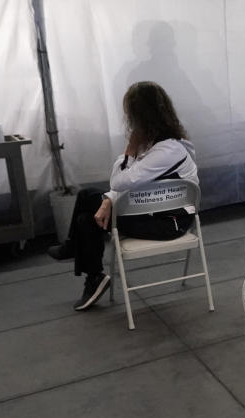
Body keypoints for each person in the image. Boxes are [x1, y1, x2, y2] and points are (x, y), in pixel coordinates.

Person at [48, 81, 199, 311]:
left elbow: (119, 181)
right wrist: (109, 200)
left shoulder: (165, 151)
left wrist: (128, 151)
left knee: (87, 201)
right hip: (158, 213)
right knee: (87, 216)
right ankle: (90, 270)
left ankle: (85, 263)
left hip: (170, 224)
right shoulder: (163, 146)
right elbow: (131, 184)